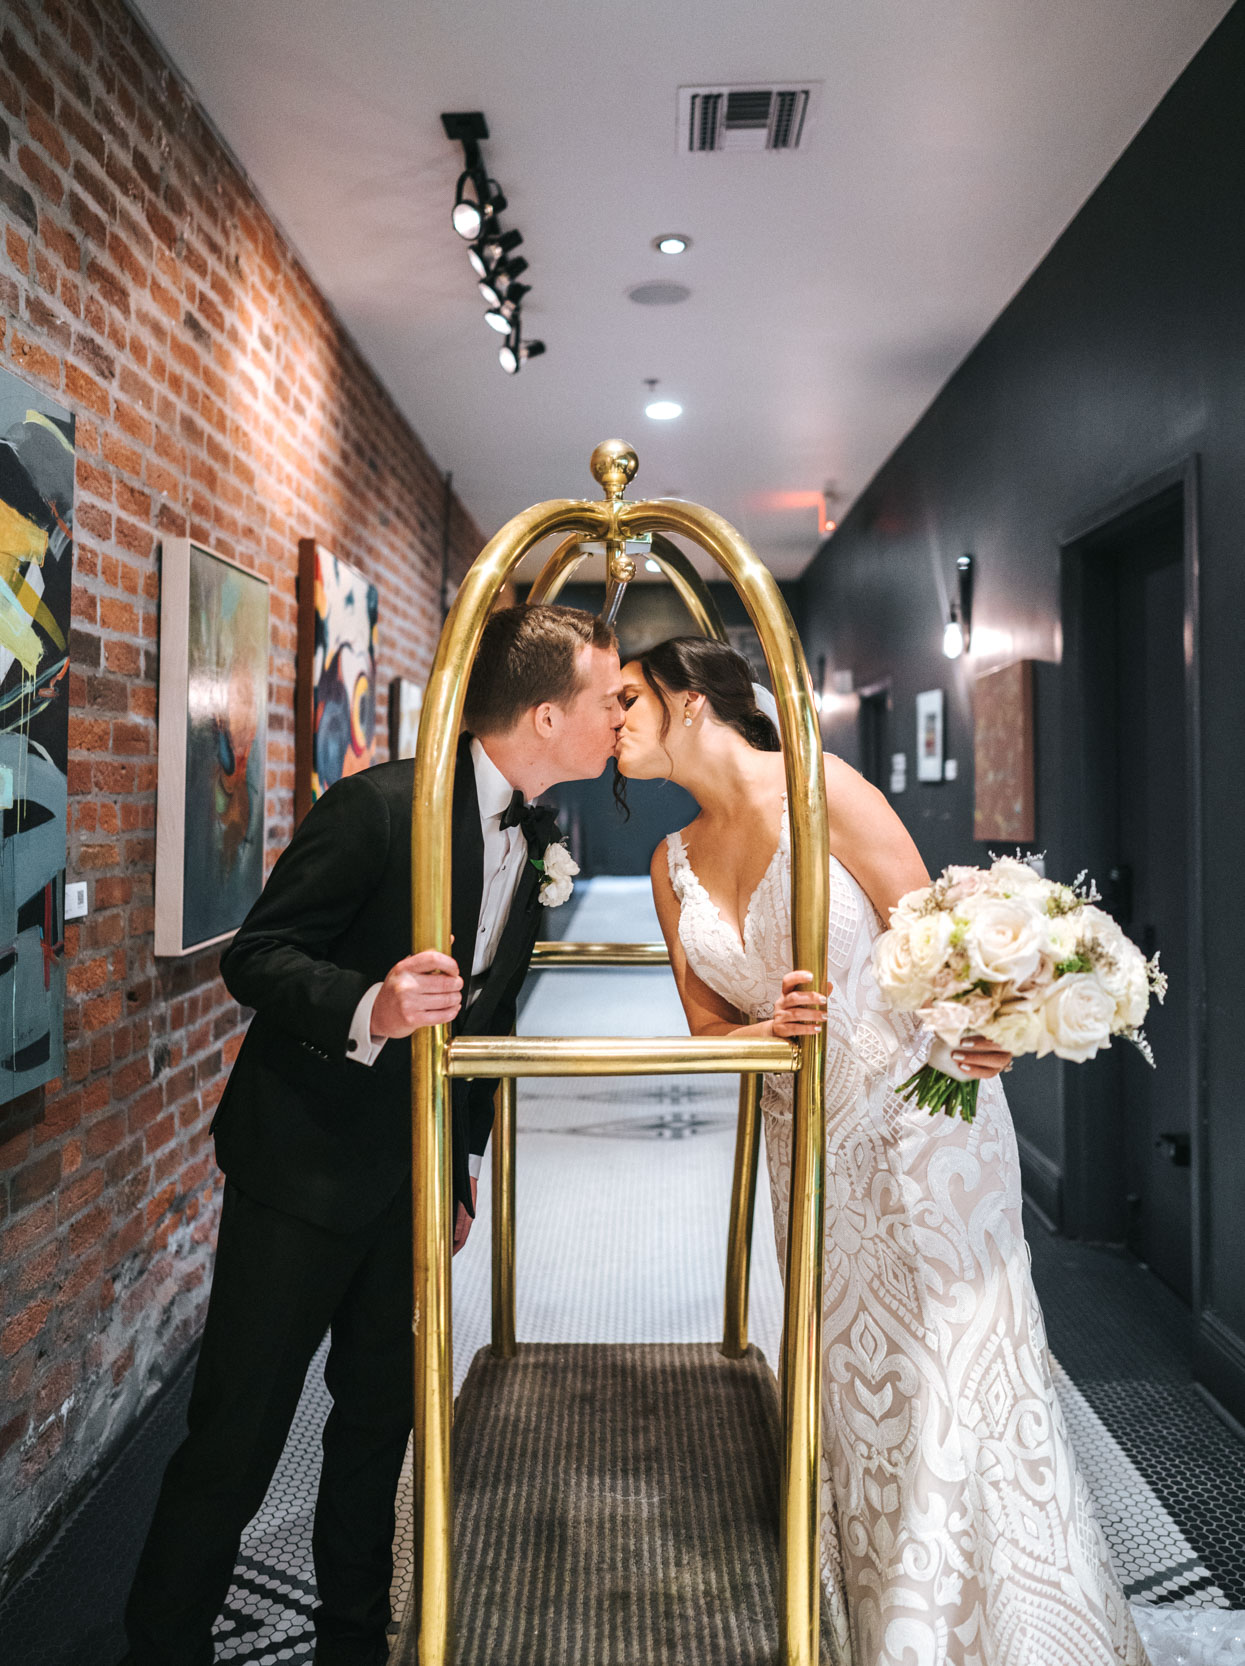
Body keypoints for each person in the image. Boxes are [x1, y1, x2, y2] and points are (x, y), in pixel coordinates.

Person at [616, 636, 1148, 1666]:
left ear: (691, 700)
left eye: (630, 698)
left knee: (953, 1372)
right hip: (801, 1149)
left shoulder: (829, 789)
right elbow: (704, 1028)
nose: (612, 721)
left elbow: (936, 943)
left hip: (918, 1127)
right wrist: (765, 1026)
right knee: (855, 1387)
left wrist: (995, 1022)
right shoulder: (665, 861)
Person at [122, 604, 624, 1666]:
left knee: (377, 1427)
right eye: (608, 699)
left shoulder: (538, 835)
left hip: (412, 1182)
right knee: (239, 1432)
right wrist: (373, 1007)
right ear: (545, 715)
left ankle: (353, 1639)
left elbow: (491, 1019)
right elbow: (255, 957)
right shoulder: (376, 808)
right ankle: (163, 1643)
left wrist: (459, 1169)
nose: (622, 717)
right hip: (299, 1170)